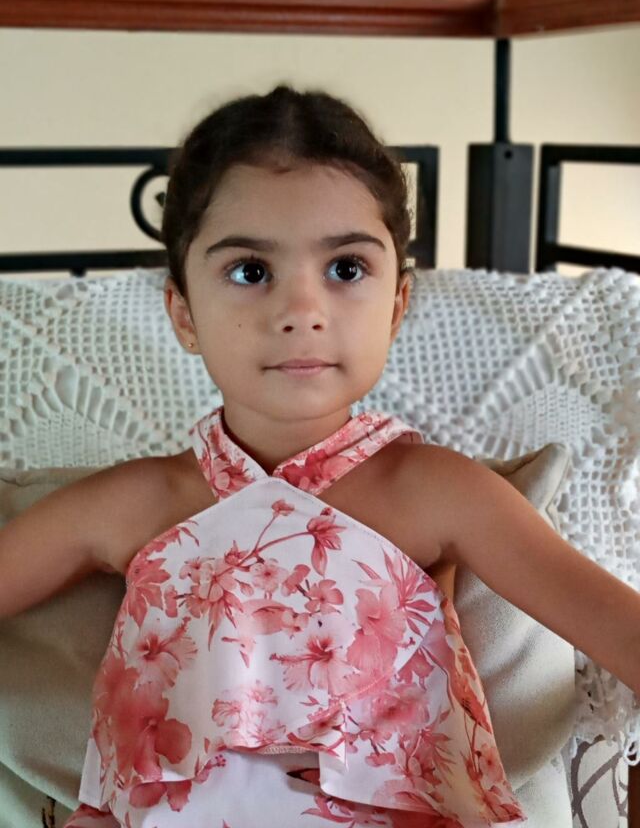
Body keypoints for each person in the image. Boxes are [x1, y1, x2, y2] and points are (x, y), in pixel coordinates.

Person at [1, 85, 638, 828]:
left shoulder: (438, 492)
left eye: (345, 269)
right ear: (183, 313)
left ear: (396, 306)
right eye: (250, 271)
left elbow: (620, 630)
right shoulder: (131, 504)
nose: (302, 309)